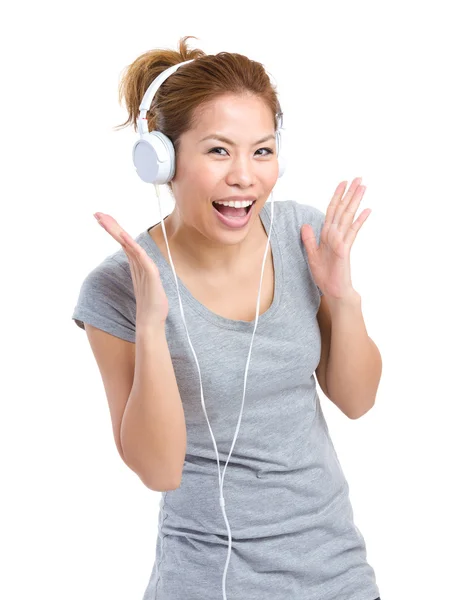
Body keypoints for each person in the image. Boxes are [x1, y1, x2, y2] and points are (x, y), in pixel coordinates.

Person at [72, 35, 382, 600]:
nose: (245, 176)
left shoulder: (300, 236)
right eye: (219, 151)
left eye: (262, 151)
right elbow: (159, 471)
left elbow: (357, 401)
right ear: (160, 159)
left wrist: (342, 296)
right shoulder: (116, 288)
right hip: (207, 583)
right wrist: (150, 325)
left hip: (336, 573)